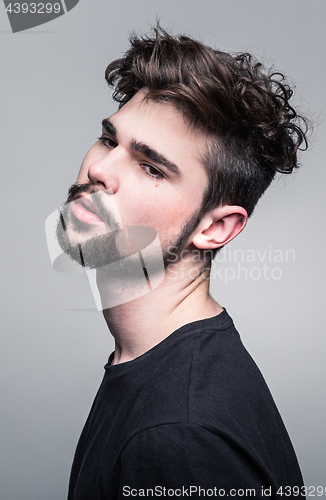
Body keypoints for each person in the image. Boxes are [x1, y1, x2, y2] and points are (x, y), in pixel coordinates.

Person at [57, 26, 309, 499]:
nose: (99, 169)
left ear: (215, 228)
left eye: (151, 167)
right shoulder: (155, 364)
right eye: (110, 141)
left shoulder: (180, 434)